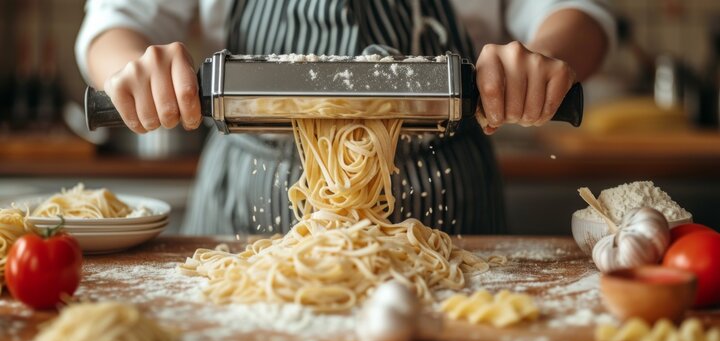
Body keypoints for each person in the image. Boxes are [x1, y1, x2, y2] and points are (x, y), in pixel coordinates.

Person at [76, 0, 615, 235]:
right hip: (247, 206)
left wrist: (541, 62)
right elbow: (115, 21)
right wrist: (134, 71)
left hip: (447, 212)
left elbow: (578, 13)